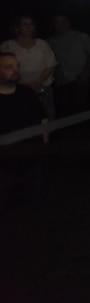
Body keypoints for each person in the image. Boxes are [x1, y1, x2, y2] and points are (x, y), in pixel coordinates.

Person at [0, 52, 48, 208]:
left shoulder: (26, 93)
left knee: (35, 202)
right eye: (9, 67)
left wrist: (44, 144)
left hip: (31, 156)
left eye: (17, 66)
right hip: (4, 160)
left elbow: (42, 119)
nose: (15, 70)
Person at [1, 15, 57, 120]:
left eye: (31, 24)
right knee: (24, 118)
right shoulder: (7, 45)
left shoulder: (42, 44)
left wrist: (37, 82)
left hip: (42, 88)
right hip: (17, 89)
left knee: (46, 117)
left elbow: (51, 64)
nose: (28, 27)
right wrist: (24, 84)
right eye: (25, 24)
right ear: (17, 27)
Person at [48, 15, 90, 119]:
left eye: (63, 21)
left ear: (68, 23)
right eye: (57, 22)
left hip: (79, 77)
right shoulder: (50, 41)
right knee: (65, 110)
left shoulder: (81, 36)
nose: (60, 24)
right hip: (60, 80)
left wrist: (85, 73)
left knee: (81, 107)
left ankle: (84, 131)